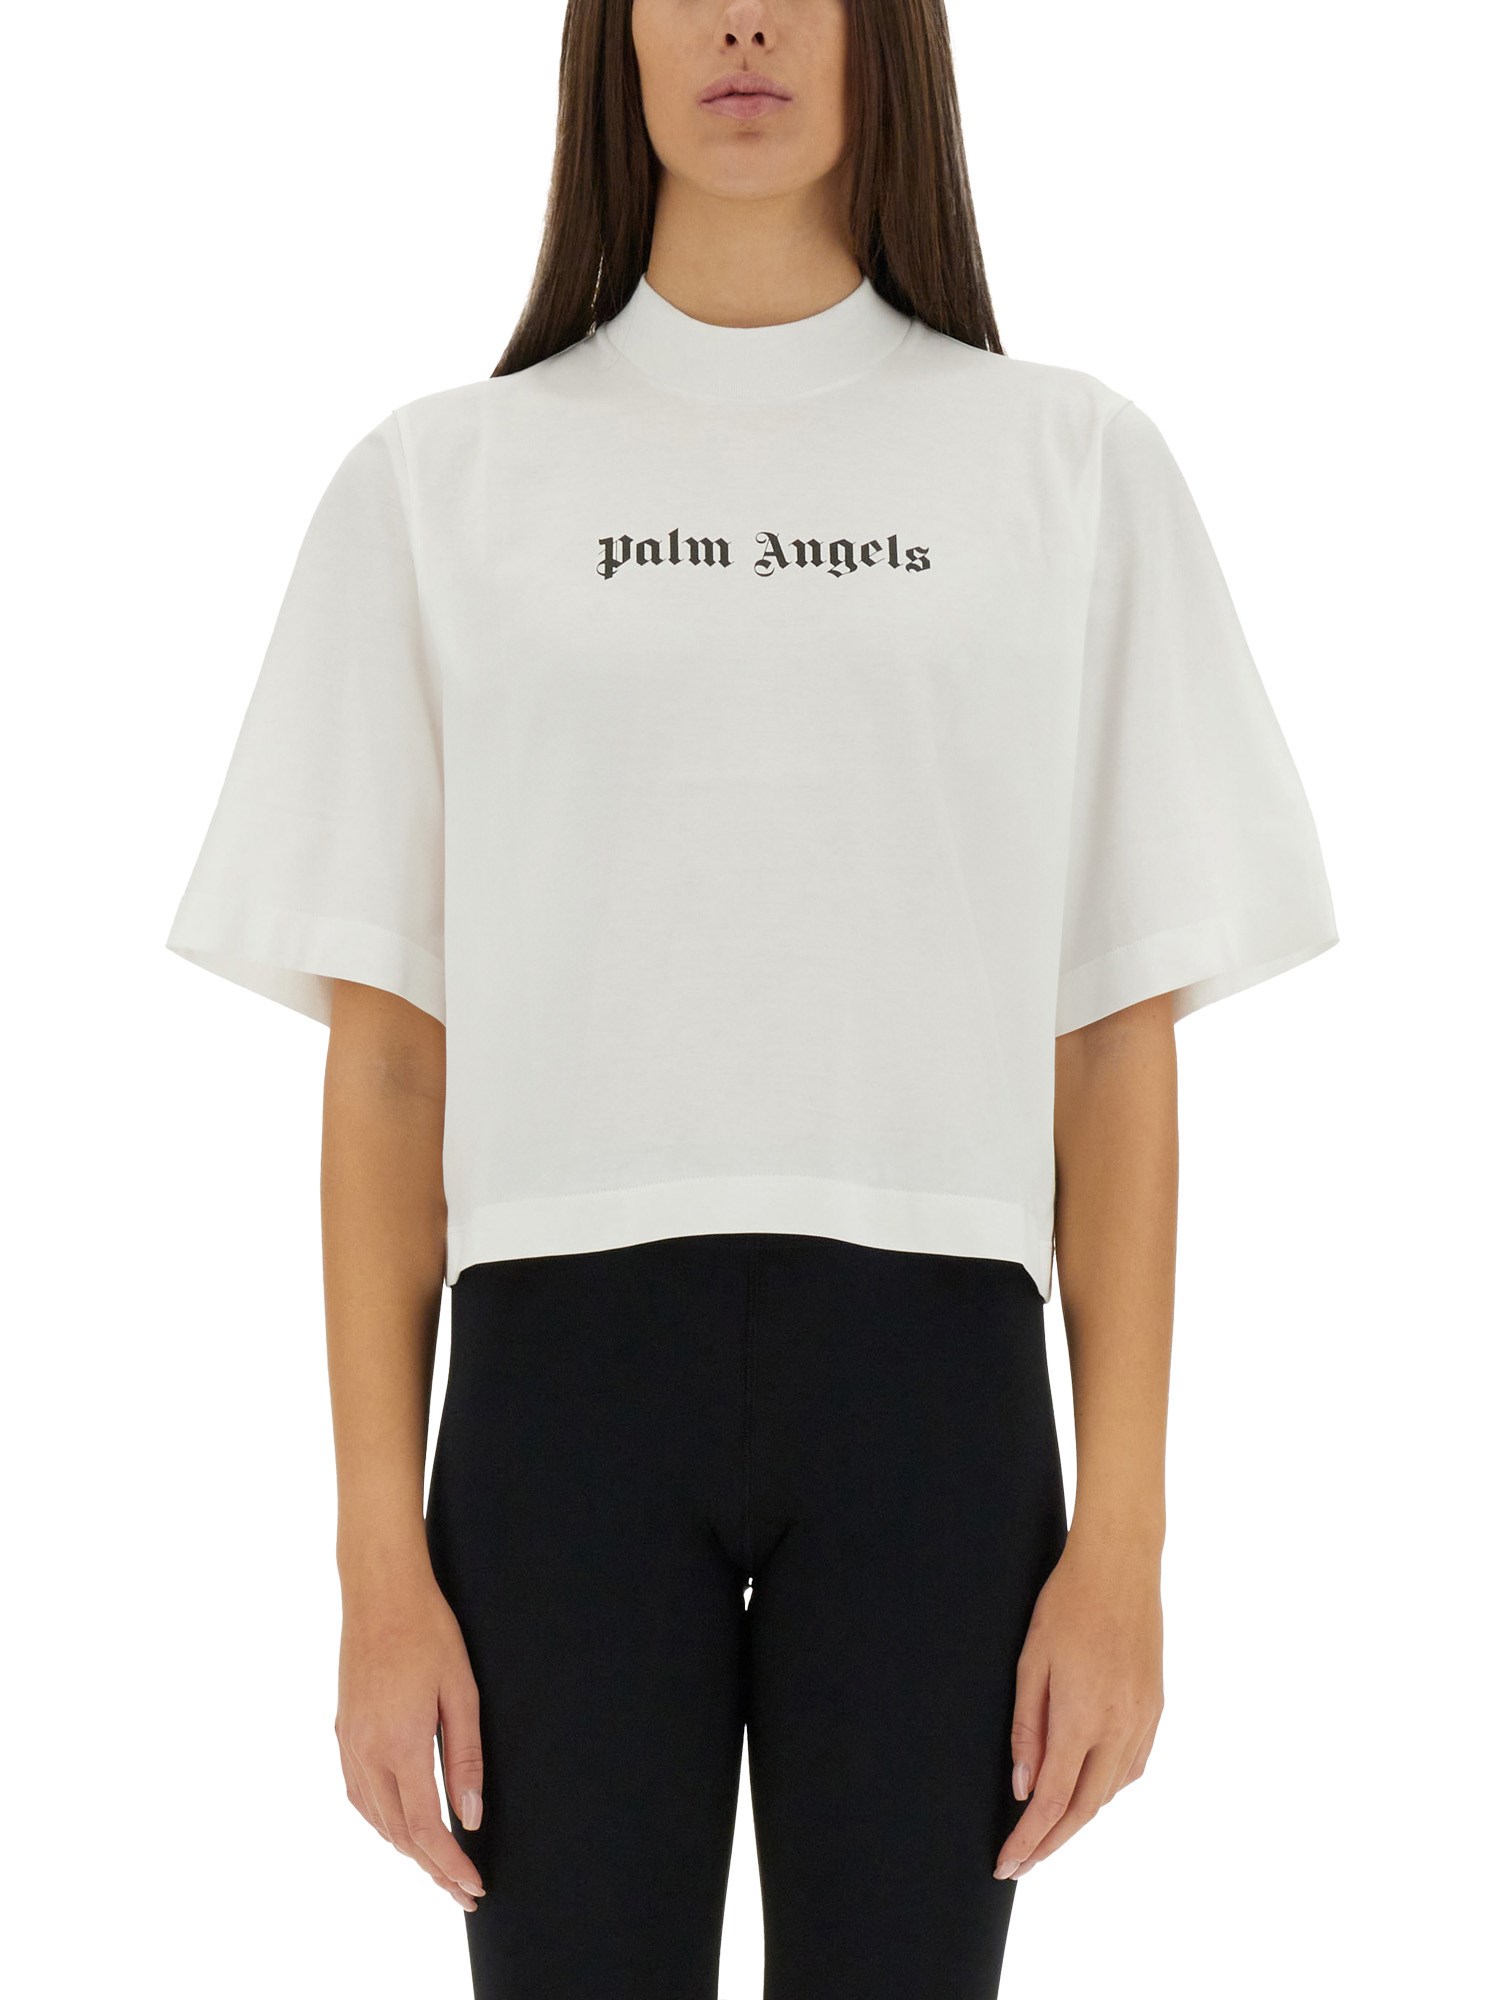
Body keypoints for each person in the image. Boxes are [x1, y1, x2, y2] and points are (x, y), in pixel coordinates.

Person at [164, 2, 1338, 1994]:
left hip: (938, 1394)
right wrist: (377, 1559)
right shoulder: (442, 482)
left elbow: (1109, 1040)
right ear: (609, 38)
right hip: (554, 1398)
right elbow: (391, 1071)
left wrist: (1124, 1541)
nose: (741, 21)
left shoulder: (1067, 464)